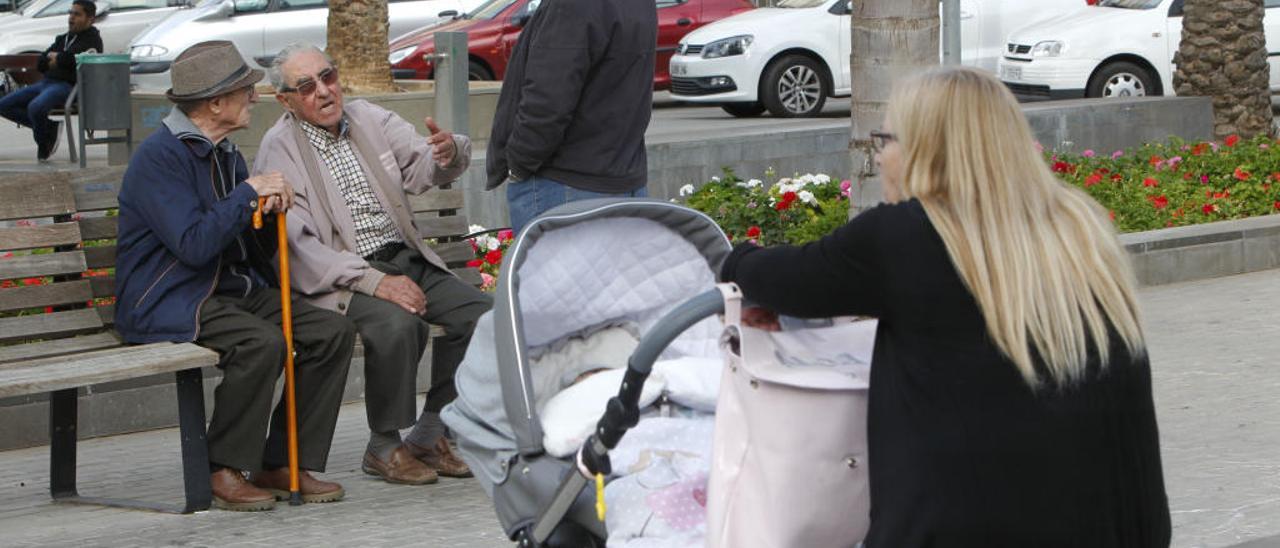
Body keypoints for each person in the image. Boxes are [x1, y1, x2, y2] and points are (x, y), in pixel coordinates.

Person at [719, 66, 1171, 547]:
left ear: (923, 148)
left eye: (885, 140)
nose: (880, 157)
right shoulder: (1079, 224)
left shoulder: (907, 236)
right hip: (1120, 528)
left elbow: (779, 277)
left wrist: (740, 262)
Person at [115, 41, 355, 512]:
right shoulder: (160, 158)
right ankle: (221, 467)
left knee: (331, 331)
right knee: (260, 343)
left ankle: (285, 461)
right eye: (246, 90)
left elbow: (246, 247)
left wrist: (268, 211)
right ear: (215, 104)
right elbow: (194, 245)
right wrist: (247, 194)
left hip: (227, 291)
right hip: (168, 298)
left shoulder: (225, 152)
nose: (256, 97)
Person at [254, 43, 492, 486]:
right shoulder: (278, 149)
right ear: (284, 100)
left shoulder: (369, 117)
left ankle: (430, 432)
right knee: (400, 324)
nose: (324, 91)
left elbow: (423, 167)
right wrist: (371, 281)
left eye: (329, 76)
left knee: (485, 319)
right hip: (342, 274)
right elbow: (297, 244)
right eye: (307, 86)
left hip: (403, 256)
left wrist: (448, 154)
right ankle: (383, 444)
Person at [486, 0, 656, 233]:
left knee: (549, 270)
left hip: (564, 185)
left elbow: (547, 101)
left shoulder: (573, 5)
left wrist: (518, 163)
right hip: (618, 177)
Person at [0, 0, 101, 161]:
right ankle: (49, 128)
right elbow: (41, 63)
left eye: (77, 14)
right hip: (46, 83)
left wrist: (58, 58)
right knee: (4, 104)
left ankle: (43, 144)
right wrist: (58, 59)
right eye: (70, 13)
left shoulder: (92, 40)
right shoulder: (63, 38)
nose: (71, 18)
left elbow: (71, 60)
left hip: (69, 86)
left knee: (36, 107)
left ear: (90, 19)